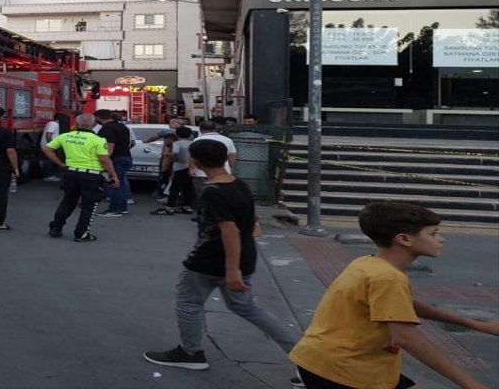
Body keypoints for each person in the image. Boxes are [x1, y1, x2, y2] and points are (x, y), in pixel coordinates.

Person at [144, 141, 304, 388]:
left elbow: (228, 229)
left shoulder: (212, 191)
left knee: (187, 301)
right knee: (247, 308)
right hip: (243, 255)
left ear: (195, 161)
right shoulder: (238, 184)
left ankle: (190, 352)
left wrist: (232, 270)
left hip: (211, 260)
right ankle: (305, 356)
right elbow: (247, 224)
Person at [290, 202, 499, 389]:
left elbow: (407, 305)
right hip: (343, 371)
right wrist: (470, 383)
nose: (441, 239)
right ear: (404, 239)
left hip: (347, 364)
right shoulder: (388, 278)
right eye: (433, 233)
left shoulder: (368, 262)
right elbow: (407, 338)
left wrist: (476, 324)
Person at [44, 113, 118, 243]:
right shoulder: (98, 140)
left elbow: (47, 149)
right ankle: (81, 233)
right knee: (89, 205)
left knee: (68, 201)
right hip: (92, 175)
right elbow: (104, 159)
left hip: (71, 173)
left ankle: (56, 228)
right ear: (94, 124)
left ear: (76, 123)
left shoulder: (65, 136)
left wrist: (60, 163)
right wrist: (114, 175)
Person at [96, 110, 134, 217]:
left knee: (114, 184)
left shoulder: (106, 129)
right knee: (120, 183)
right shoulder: (123, 127)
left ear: (98, 117)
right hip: (126, 156)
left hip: (115, 159)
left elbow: (109, 145)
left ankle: (114, 209)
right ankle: (122, 208)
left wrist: (104, 160)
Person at [152, 127, 195, 215]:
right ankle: (187, 207)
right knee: (188, 188)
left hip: (179, 167)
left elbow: (175, 152)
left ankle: (169, 208)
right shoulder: (192, 143)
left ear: (177, 134)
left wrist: (174, 157)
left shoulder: (177, 143)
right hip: (190, 167)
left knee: (174, 188)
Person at [190, 119, 237, 198]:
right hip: (222, 172)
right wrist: (231, 167)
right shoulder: (227, 140)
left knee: (201, 193)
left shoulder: (197, 140)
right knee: (222, 194)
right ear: (215, 128)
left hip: (201, 172)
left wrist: (191, 169)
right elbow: (231, 156)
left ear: (200, 129)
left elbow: (192, 156)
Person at [40, 113, 71, 182]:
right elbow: (48, 134)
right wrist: (51, 144)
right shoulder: (54, 124)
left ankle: (49, 174)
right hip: (48, 145)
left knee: (49, 159)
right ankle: (47, 176)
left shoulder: (51, 123)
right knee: (49, 160)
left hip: (47, 145)